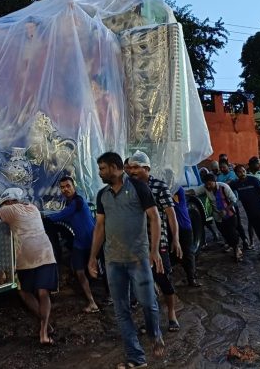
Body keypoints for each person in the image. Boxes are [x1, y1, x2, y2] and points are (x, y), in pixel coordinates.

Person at [87, 152, 165, 368]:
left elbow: (154, 218)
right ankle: (136, 358)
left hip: (138, 259)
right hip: (113, 262)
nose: (100, 173)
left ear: (114, 167)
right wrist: (93, 257)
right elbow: (100, 227)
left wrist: (154, 250)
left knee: (148, 304)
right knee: (121, 311)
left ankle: (154, 333)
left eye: (102, 168)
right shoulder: (102, 195)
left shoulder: (139, 188)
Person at [0, 188, 57, 346]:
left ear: (9, 201)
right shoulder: (33, 208)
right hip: (46, 253)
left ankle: (44, 327)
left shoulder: (10, 209)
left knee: (24, 291)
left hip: (26, 256)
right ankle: (45, 330)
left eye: (4, 203)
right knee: (43, 293)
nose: (4, 207)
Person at [127, 151, 183, 332]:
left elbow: (170, 213)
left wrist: (176, 239)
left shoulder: (159, 186)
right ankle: (150, 320)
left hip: (159, 243)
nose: (132, 171)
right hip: (137, 244)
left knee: (164, 279)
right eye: (129, 167)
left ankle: (172, 314)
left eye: (136, 167)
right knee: (143, 284)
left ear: (147, 168)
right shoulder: (128, 189)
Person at [45, 176, 99, 313]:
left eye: (68, 186)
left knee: (101, 271)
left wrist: (44, 218)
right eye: (62, 187)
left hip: (93, 241)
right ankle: (91, 302)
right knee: (79, 272)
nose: (65, 189)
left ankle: (113, 296)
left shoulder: (78, 201)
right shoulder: (69, 204)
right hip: (79, 243)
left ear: (74, 186)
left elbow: (62, 215)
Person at [230, 165, 260, 259]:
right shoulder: (236, 183)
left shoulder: (253, 180)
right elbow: (226, 188)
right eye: (239, 172)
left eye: (243, 171)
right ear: (236, 174)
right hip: (250, 212)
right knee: (258, 230)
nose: (242, 173)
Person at [198, 173, 242, 262]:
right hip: (218, 216)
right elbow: (195, 191)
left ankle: (237, 249)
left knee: (232, 232)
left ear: (214, 181)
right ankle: (231, 245)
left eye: (210, 184)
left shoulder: (224, 187)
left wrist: (226, 210)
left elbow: (234, 200)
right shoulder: (205, 188)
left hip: (229, 214)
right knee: (224, 232)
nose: (208, 186)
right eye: (206, 184)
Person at [172, 184, 201, 287]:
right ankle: (190, 273)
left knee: (188, 253)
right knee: (179, 255)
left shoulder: (177, 191)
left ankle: (192, 278)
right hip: (174, 230)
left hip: (184, 228)